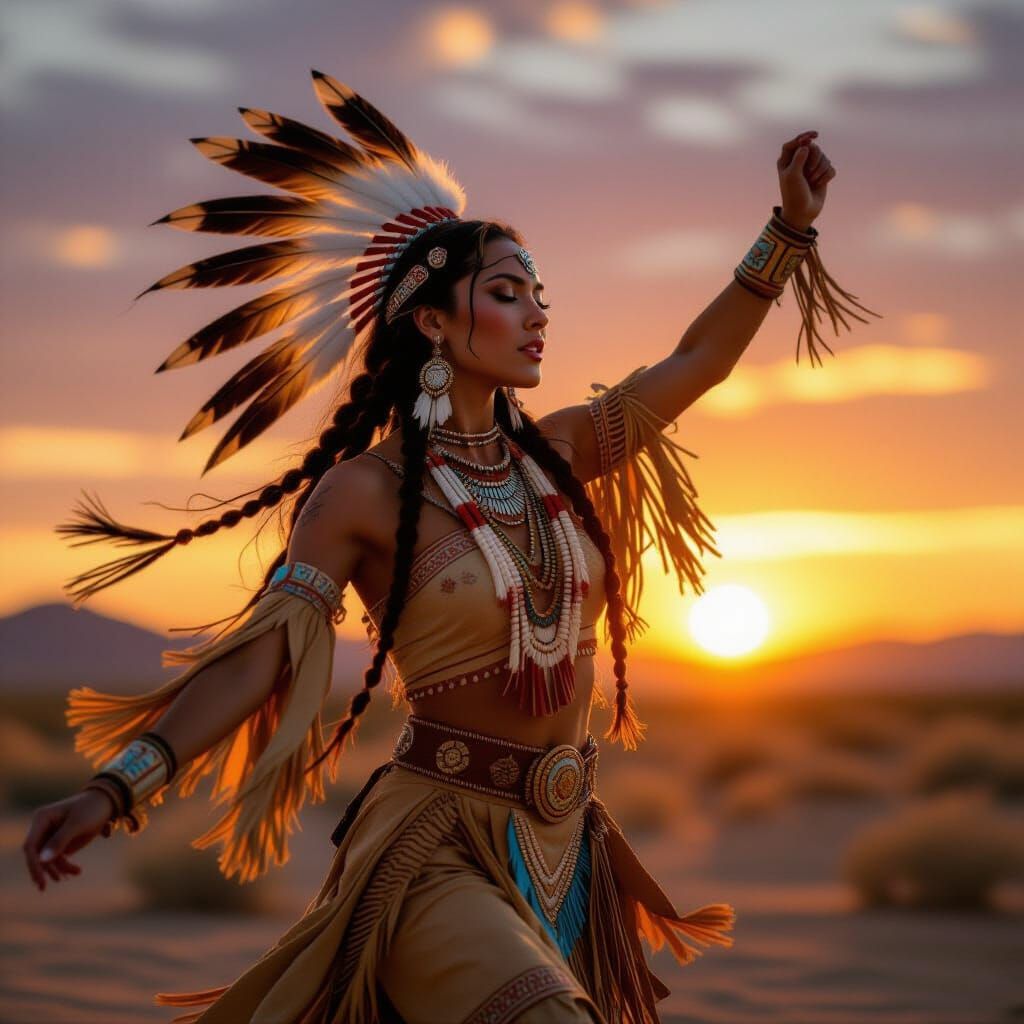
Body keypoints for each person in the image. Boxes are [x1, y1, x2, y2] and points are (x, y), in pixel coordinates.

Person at [22, 71, 879, 1023]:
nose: (538, 313)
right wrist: (116, 787)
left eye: (540, 293)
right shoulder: (361, 494)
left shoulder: (557, 452)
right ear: (432, 321)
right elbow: (260, 663)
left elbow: (696, 362)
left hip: (567, 849)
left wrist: (790, 228)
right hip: (434, 849)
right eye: (508, 292)